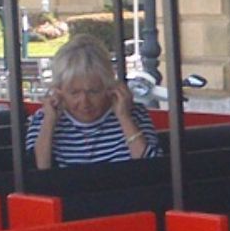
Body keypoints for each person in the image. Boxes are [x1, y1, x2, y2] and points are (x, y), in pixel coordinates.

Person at [27, 33, 161, 168]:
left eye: (93, 91)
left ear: (108, 87)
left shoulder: (135, 114)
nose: (85, 102)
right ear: (59, 90)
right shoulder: (43, 119)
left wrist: (124, 117)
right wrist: (49, 122)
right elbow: (39, 170)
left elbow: (152, 167)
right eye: (74, 93)